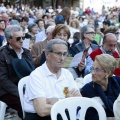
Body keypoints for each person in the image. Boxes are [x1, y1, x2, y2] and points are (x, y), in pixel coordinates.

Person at [24, 39, 80, 120]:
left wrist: (56, 101)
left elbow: (78, 99)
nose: (62, 58)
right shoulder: (37, 76)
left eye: (65, 54)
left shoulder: (66, 74)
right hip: (39, 117)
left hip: (62, 113)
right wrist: (66, 100)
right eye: (58, 54)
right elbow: (42, 110)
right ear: (47, 54)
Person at [0, 25, 34, 119]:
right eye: (18, 38)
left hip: (25, 88)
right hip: (6, 90)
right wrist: (21, 93)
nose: (22, 40)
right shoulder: (2, 54)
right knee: (24, 104)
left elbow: (32, 73)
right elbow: (3, 80)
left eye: (23, 37)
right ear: (9, 40)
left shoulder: (26, 52)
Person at [80, 54, 120, 120]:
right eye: (92, 68)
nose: (93, 73)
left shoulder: (117, 82)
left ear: (108, 73)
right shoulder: (87, 90)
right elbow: (90, 117)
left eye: (97, 70)